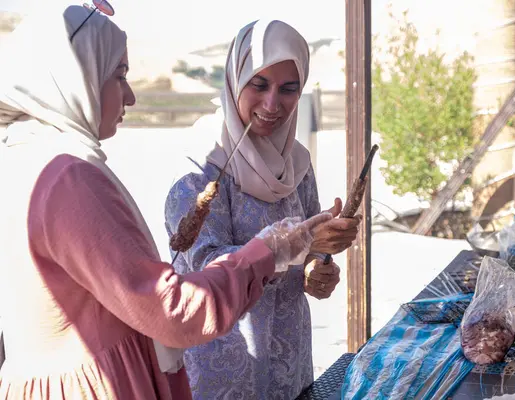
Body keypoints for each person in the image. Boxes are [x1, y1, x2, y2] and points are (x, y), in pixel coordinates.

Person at [0, 6, 332, 400]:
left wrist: (314, 257)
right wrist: (271, 251)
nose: (131, 94)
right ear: (72, 78)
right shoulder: (68, 177)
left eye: (289, 88)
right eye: (119, 74)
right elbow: (171, 307)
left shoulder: (30, 157)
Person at [164, 19, 361, 399]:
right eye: (258, 85)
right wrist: (300, 244)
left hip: (290, 364)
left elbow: (307, 253)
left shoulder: (296, 164)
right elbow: (206, 267)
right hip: (222, 369)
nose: (273, 104)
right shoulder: (200, 169)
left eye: (288, 89)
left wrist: (315, 266)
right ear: (235, 79)